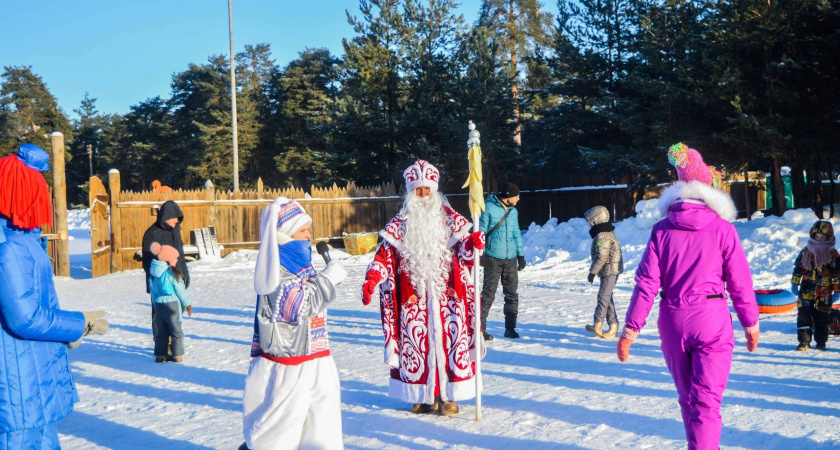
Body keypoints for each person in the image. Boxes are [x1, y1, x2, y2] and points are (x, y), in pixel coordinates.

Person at [617, 143, 759, 450]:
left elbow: (646, 283)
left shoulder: (662, 230)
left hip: (673, 320)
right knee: (705, 401)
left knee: (688, 399)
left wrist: (631, 329)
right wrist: (750, 322)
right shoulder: (723, 229)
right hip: (712, 321)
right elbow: (739, 281)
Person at [0, 144, 109, 448]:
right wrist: (79, 324)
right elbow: (26, 318)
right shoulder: (8, 247)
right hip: (16, 389)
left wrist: (64, 332)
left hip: (32, 381)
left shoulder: (23, 241)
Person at [361, 160, 485, 416]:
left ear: (435, 190)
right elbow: (384, 257)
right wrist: (373, 278)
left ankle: (449, 397)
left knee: (451, 345)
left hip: (448, 302)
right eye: (418, 190)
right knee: (418, 348)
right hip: (413, 303)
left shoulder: (453, 222)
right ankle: (423, 396)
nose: (423, 194)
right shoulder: (399, 226)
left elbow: (465, 255)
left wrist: (472, 244)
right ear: (410, 192)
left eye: (427, 189)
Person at [241, 197, 348, 450]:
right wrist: (328, 279)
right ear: (284, 234)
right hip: (290, 366)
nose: (309, 236)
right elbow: (299, 305)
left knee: (321, 429)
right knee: (279, 432)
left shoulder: (302, 264)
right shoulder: (275, 268)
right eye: (303, 230)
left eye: (309, 229)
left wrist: (323, 279)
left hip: (316, 358)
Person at [479, 181, 525, 340]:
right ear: (508, 197)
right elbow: (481, 231)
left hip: (511, 258)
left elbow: (516, 233)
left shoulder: (513, 211)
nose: (518, 199)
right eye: (516, 196)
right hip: (493, 257)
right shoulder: (488, 208)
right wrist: (481, 253)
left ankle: (510, 328)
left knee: (512, 294)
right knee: (488, 294)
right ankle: (480, 329)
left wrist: (521, 255)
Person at [790, 220, 840, 351]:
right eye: (816, 237)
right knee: (803, 316)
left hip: (825, 293)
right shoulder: (806, 251)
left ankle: (821, 342)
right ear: (812, 235)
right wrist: (795, 282)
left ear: (828, 238)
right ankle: (804, 341)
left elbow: (837, 274)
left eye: (822, 238)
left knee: (822, 318)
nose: (819, 240)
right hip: (806, 291)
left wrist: (837, 290)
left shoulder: (833, 254)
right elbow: (798, 268)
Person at [142, 200, 189, 338]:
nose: (177, 220)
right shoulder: (152, 233)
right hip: (161, 282)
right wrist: (161, 278)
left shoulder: (175, 231)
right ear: (166, 216)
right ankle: (161, 342)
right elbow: (148, 261)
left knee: (176, 312)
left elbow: (179, 256)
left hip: (176, 278)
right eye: (175, 217)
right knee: (160, 313)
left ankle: (173, 341)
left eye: (178, 218)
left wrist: (184, 275)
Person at [583, 205, 624, 338]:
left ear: (597, 220)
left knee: (603, 297)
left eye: (590, 220)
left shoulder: (603, 236)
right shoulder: (602, 234)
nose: (589, 224)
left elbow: (602, 256)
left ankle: (598, 324)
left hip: (610, 269)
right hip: (608, 269)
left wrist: (592, 272)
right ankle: (613, 326)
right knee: (607, 297)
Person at [148, 242, 193, 362]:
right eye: (175, 258)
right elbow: (180, 290)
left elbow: (153, 293)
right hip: (171, 305)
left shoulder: (153, 275)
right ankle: (177, 355)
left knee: (161, 331)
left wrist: (155, 306)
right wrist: (188, 304)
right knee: (176, 330)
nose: (177, 260)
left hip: (158, 305)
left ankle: (160, 355)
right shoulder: (171, 273)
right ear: (169, 258)